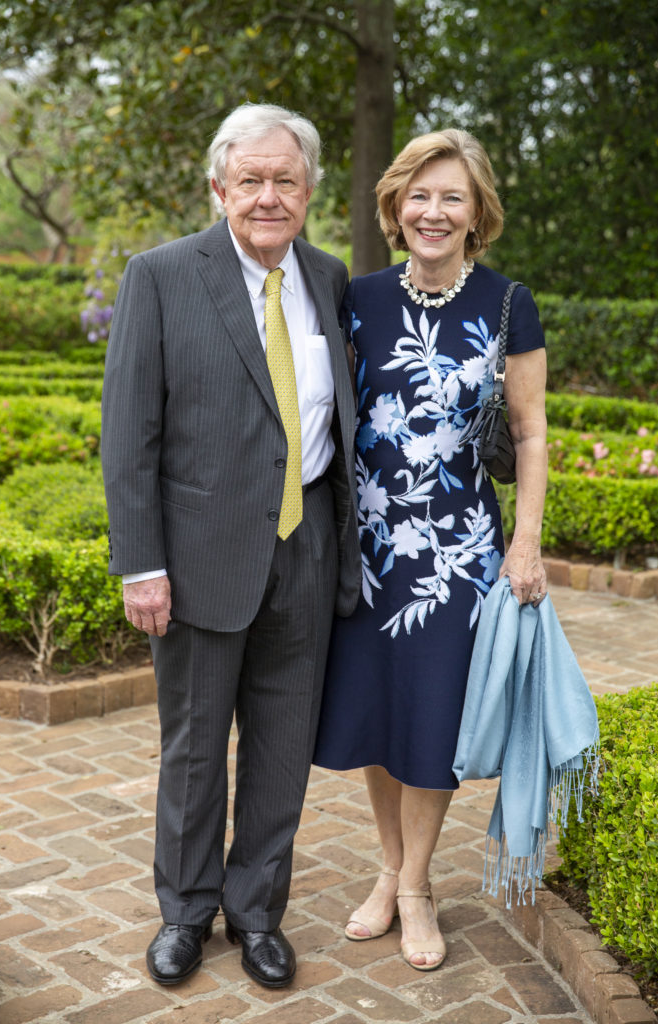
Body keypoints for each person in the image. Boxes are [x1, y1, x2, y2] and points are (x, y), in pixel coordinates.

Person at [101, 102, 361, 989]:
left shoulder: (330, 281)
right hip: (199, 557)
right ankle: (184, 911)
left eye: (285, 180)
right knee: (195, 746)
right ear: (219, 186)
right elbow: (128, 433)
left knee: (283, 747)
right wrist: (142, 563)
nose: (267, 196)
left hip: (306, 552)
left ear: (309, 190)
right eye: (249, 179)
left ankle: (257, 913)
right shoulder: (162, 275)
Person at [313, 129, 548, 971]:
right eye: (418, 194)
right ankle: (389, 870)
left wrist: (524, 543)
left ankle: (415, 889)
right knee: (380, 716)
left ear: (477, 211)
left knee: (433, 719)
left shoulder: (509, 304)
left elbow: (528, 432)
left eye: (451, 196)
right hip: (370, 549)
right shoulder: (359, 297)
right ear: (394, 206)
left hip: (456, 551)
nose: (432, 211)